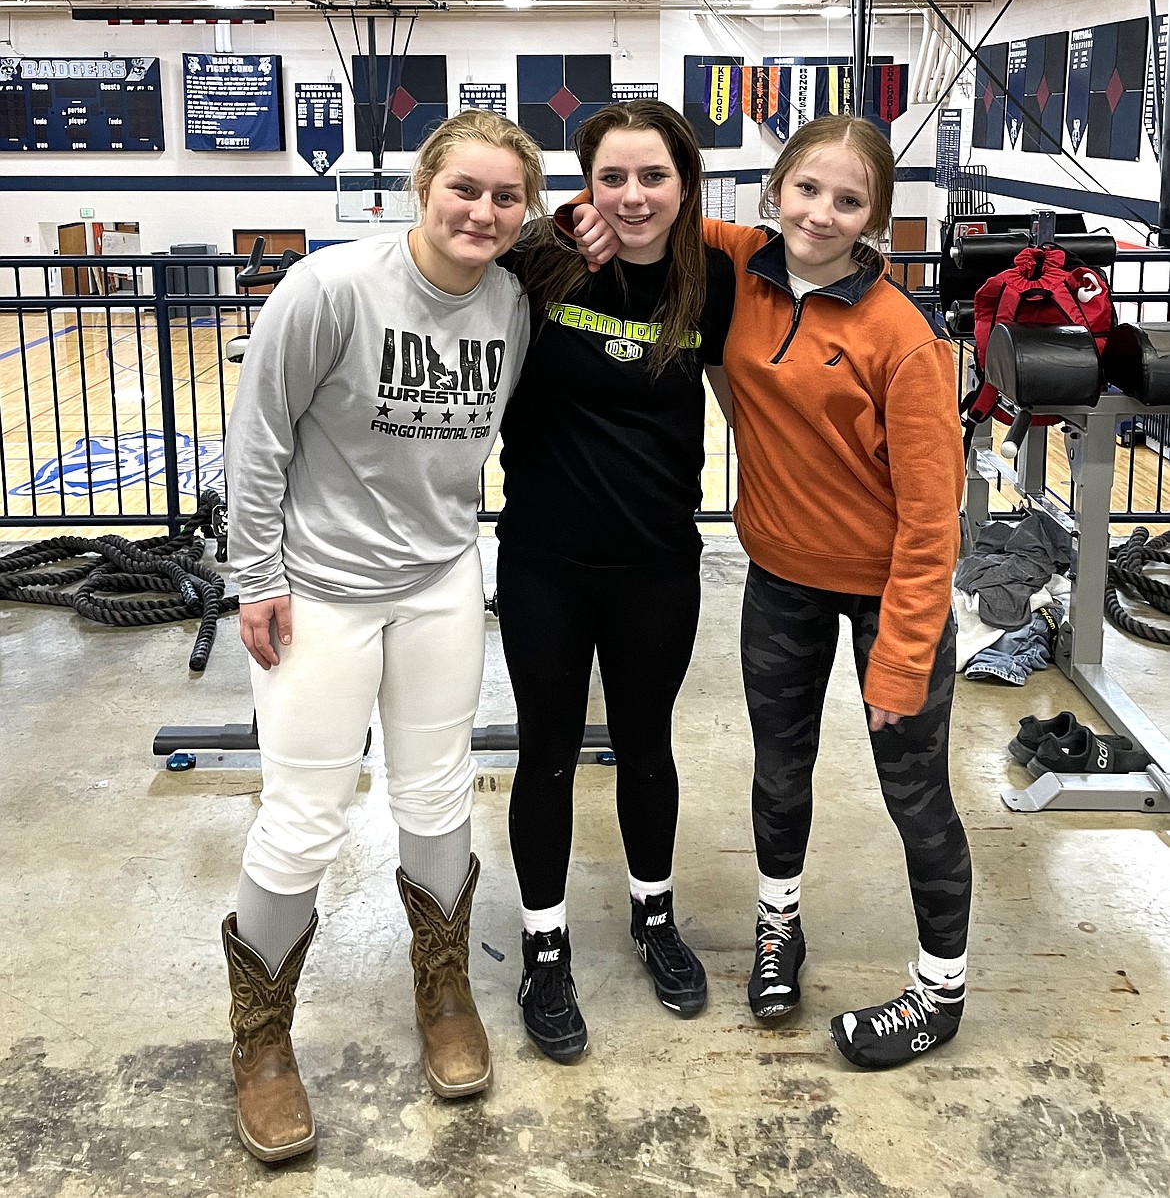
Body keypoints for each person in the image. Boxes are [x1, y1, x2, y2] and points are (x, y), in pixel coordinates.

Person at [569, 113, 971, 1070]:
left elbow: (932, 520)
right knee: (779, 772)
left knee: (915, 793)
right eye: (807, 190)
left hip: (887, 594)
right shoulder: (738, 259)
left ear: (874, 217)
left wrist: (904, 656)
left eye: (849, 201)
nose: (822, 215)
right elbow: (640, 204)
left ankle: (939, 990)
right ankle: (778, 923)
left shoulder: (903, 339)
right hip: (781, 578)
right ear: (774, 190)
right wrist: (571, 214)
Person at [222, 109, 545, 1163]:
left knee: (438, 790)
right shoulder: (330, 288)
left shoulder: (509, 302)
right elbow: (259, 435)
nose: (484, 212)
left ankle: (444, 986)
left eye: (507, 196)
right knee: (304, 818)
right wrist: (255, 574)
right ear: (424, 185)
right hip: (321, 590)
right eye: (467, 189)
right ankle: (261, 1041)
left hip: (443, 580)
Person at [493, 100, 735, 1062]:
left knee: (647, 747)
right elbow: (443, 240)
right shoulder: (542, 264)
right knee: (546, 752)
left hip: (657, 565)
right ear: (584, 185)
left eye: (654, 177)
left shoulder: (712, 278)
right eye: (612, 178)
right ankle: (543, 945)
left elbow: (808, 254)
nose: (633, 197)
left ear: (685, 187)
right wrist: (550, 229)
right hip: (546, 561)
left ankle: (653, 917)